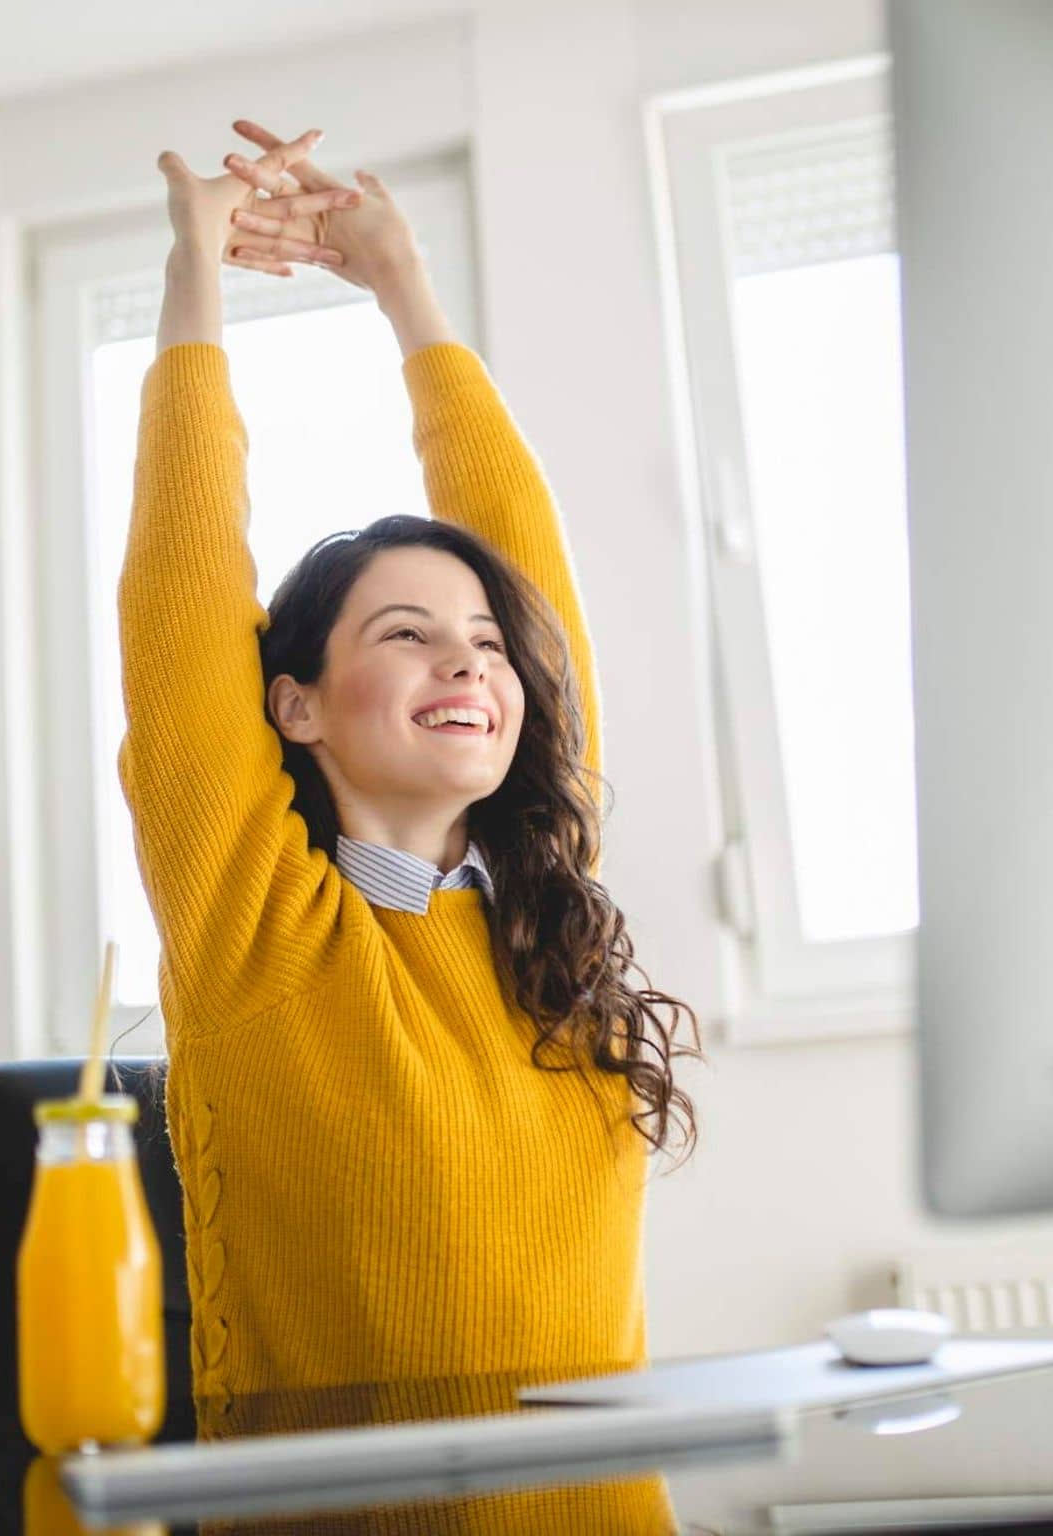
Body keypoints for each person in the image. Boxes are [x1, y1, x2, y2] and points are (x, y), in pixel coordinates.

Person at [117, 121, 704, 1434]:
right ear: (295, 704)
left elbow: (525, 573)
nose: (470, 665)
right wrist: (196, 268)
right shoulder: (255, 924)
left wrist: (404, 285)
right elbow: (182, 586)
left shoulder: (546, 912)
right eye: (407, 634)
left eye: (488, 647)